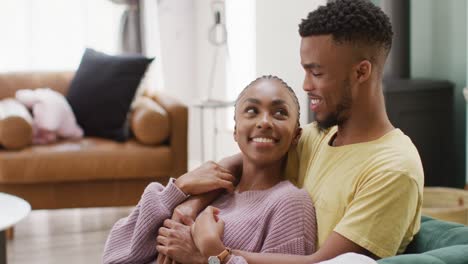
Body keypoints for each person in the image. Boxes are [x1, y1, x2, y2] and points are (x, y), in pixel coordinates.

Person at [158, 0, 424, 263]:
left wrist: (211, 253)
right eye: (305, 71)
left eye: (317, 73)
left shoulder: (393, 169)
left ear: (361, 72)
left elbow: (322, 263)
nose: (306, 85)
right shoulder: (318, 137)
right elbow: (250, 158)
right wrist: (189, 204)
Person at [102, 75, 317, 264]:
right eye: (252, 111)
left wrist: (206, 257)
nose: (264, 122)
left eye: (279, 113)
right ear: (235, 131)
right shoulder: (206, 189)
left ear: (296, 137)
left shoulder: (290, 203)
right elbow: (115, 255)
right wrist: (179, 187)